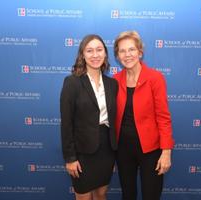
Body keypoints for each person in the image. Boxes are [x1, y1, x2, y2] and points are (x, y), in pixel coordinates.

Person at [113, 31, 175, 200]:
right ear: (117, 56)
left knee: (151, 195)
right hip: (123, 149)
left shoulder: (155, 78)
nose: (127, 55)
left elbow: (163, 117)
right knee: (128, 194)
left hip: (151, 149)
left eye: (131, 49)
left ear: (140, 52)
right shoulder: (115, 80)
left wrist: (166, 152)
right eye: (122, 51)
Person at [60, 34, 118, 200]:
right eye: (90, 50)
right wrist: (70, 158)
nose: (95, 55)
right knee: (83, 196)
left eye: (99, 50)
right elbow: (66, 123)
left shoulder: (112, 84)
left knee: (101, 194)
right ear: (82, 55)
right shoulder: (72, 82)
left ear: (105, 54)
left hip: (106, 148)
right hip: (82, 152)